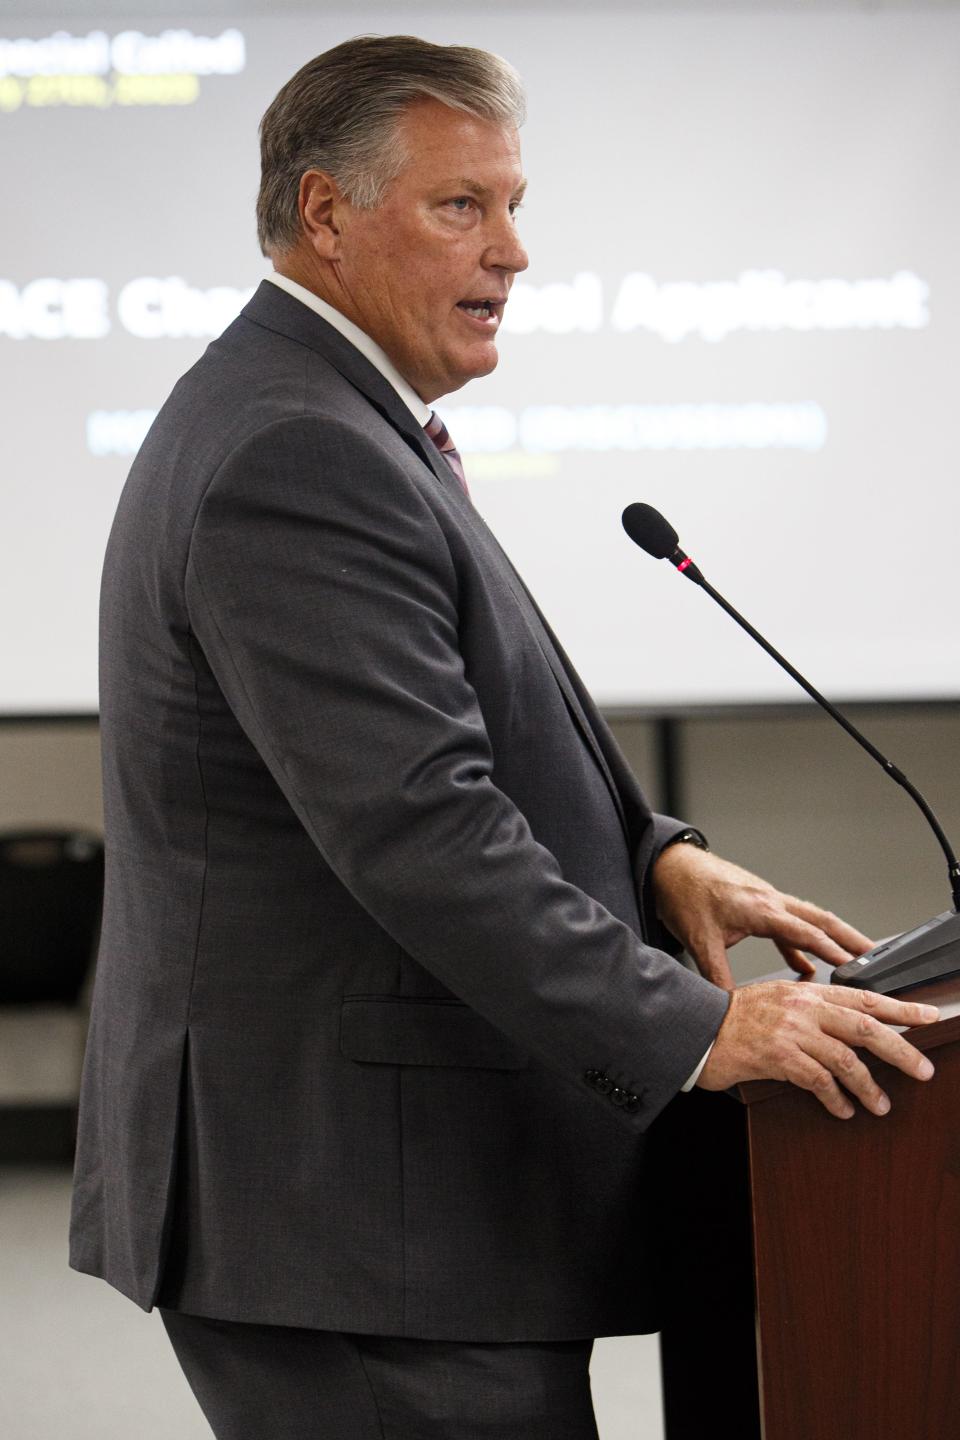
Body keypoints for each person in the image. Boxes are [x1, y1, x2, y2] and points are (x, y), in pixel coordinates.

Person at [69, 35, 939, 1440]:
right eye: (461, 206)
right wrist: (704, 1027)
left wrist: (653, 857)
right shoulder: (296, 450)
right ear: (325, 214)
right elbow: (419, 831)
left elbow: (453, 729)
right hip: (352, 1227)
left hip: (390, 1216)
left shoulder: (345, 419)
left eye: (513, 203)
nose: (515, 251)